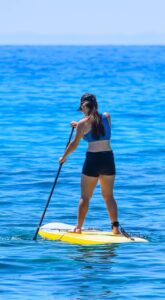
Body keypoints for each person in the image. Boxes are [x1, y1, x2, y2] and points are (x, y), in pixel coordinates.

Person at [59, 93, 120, 234]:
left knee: (85, 197)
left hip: (93, 160)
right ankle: (115, 228)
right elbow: (96, 129)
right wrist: (79, 125)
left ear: (82, 106)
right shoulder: (107, 117)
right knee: (108, 196)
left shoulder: (82, 124)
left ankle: (78, 228)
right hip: (108, 159)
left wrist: (64, 157)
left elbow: (74, 145)